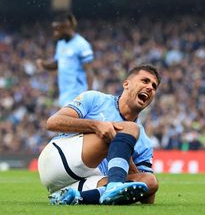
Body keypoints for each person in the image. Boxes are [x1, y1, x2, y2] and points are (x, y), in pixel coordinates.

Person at [38, 64, 161, 205]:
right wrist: (96, 125)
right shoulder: (95, 99)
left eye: (154, 86)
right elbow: (53, 122)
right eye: (145, 81)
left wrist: (126, 154)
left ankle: (76, 197)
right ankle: (114, 186)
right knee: (128, 129)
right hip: (57, 161)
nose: (150, 87)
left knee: (151, 181)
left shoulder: (144, 141)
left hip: (88, 181)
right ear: (126, 84)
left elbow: (147, 195)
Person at [36, 13, 94, 106]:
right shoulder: (61, 43)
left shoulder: (82, 44)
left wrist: (90, 96)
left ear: (65, 27)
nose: (55, 33)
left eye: (57, 30)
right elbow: (58, 63)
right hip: (65, 94)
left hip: (77, 94)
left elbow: (89, 71)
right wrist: (44, 64)